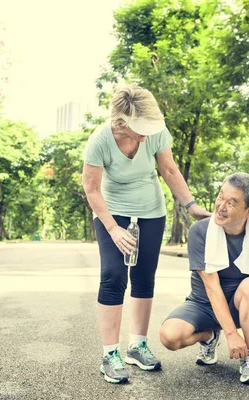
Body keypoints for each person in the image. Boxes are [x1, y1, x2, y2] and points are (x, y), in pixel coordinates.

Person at [82, 83, 211, 384]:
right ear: (121, 122)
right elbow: (91, 188)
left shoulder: (155, 133)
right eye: (139, 128)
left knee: (144, 277)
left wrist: (190, 205)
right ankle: (110, 354)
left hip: (151, 211)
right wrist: (112, 227)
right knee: (113, 276)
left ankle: (137, 345)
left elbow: (169, 170)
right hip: (112, 211)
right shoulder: (100, 141)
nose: (144, 134)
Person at [159, 173, 249, 385]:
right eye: (221, 197)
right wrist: (230, 333)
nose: (221, 206)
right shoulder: (199, 231)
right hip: (203, 304)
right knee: (169, 336)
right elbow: (212, 288)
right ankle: (209, 336)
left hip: (240, 307)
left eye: (232, 202)